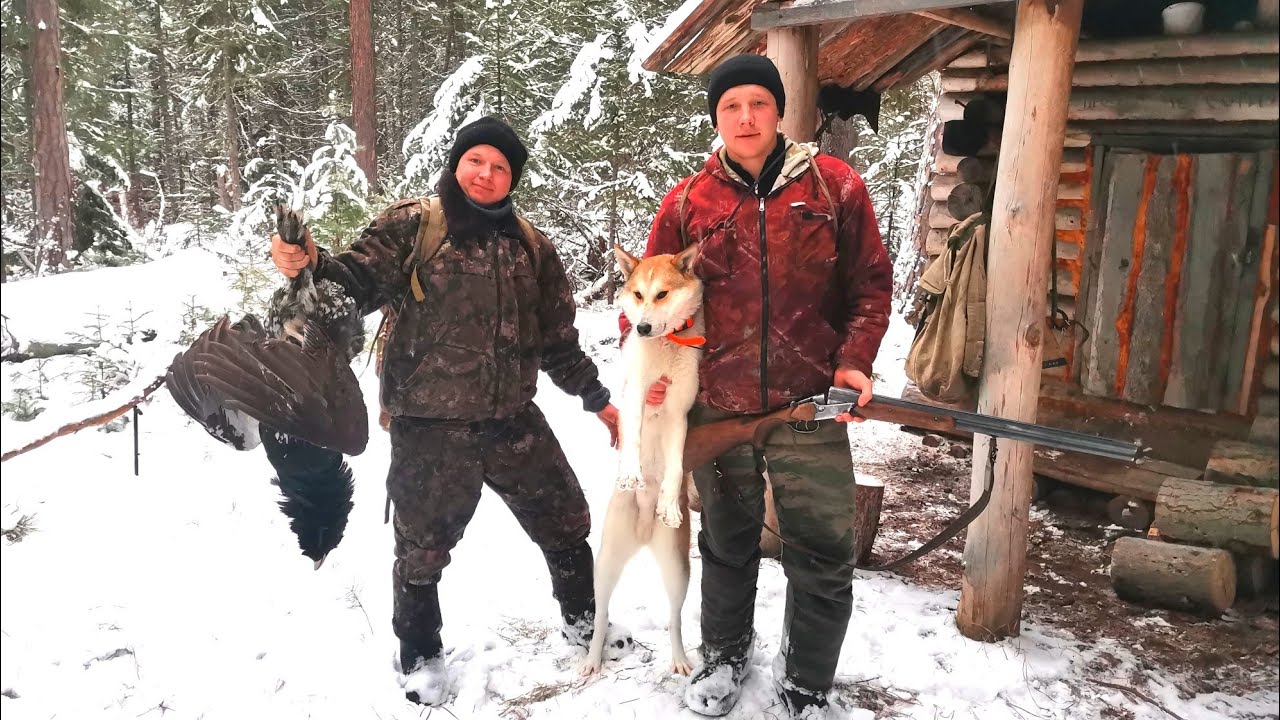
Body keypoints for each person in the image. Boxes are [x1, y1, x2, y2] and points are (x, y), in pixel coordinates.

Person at [270, 116, 629, 705]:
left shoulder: (531, 247)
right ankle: (420, 656)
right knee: (421, 551)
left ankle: (585, 623)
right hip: (429, 428)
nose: (486, 174)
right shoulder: (416, 225)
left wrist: (597, 399)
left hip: (513, 419)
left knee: (566, 522)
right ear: (457, 163)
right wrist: (309, 261)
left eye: (500, 167)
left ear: (513, 178)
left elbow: (558, 340)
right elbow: (352, 282)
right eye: (475, 161)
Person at [623, 54, 893, 718]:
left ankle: (806, 682)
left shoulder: (833, 186)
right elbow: (644, 299)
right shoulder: (687, 201)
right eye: (731, 107)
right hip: (718, 405)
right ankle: (723, 658)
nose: (745, 118)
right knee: (726, 542)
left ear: (779, 111)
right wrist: (652, 374)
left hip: (810, 405)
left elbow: (870, 285)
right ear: (716, 118)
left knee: (823, 550)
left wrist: (853, 360)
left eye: (758, 104)